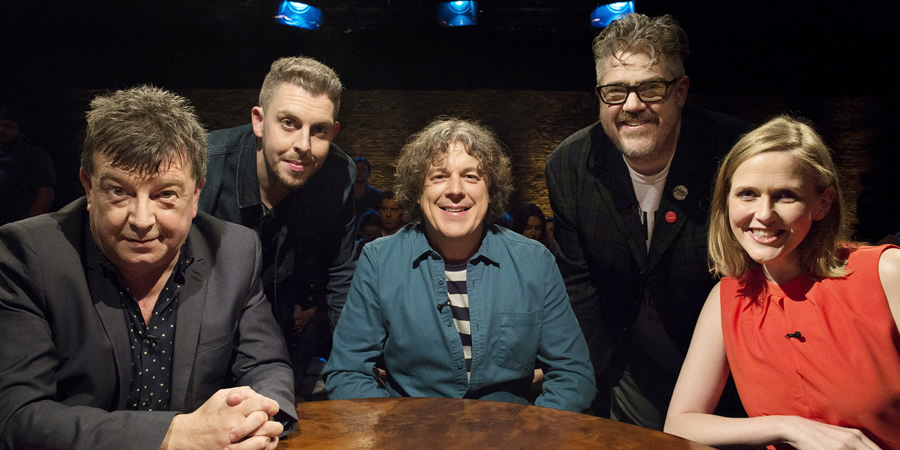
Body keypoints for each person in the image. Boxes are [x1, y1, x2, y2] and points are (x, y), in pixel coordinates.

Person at [0, 86, 296, 450]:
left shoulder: (235, 250)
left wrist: (256, 418)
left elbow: (267, 366)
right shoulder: (27, 255)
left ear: (196, 194)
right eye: (119, 192)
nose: (142, 220)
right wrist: (175, 435)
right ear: (88, 188)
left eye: (166, 194)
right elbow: (17, 416)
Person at [544, 13, 748, 428]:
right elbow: (579, 288)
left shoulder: (737, 154)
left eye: (651, 87)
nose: (632, 105)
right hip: (626, 364)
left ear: (681, 90)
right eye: (615, 91)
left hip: (732, 367)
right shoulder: (569, 164)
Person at [323, 118, 595, 412]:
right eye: (439, 176)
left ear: (490, 190)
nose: (455, 190)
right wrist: (394, 435)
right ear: (418, 190)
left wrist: (532, 436)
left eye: (471, 176)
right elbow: (346, 372)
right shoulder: (379, 261)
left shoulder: (535, 262)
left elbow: (573, 376)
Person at [665, 115, 900, 449]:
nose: (764, 214)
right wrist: (788, 427)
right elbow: (680, 423)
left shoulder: (886, 273)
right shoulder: (728, 297)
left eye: (785, 195)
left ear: (823, 203)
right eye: (747, 194)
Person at [198, 56, 356, 389]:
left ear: (334, 132)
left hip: (281, 337)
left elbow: (341, 275)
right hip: (202, 335)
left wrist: (352, 367)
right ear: (258, 120)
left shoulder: (338, 175)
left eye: (320, 131)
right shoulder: (204, 166)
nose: (303, 145)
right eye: (288, 123)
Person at [0, 105, 56, 225]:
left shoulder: (34, 155)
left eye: (8, 126)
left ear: (21, 132)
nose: (1, 130)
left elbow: (45, 195)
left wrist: (25, 228)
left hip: (13, 229)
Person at [353, 156, 383, 236]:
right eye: (357, 169)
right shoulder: (345, 195)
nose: (360, 172)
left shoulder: (378, 196)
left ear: (369, 173)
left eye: (363, 170)